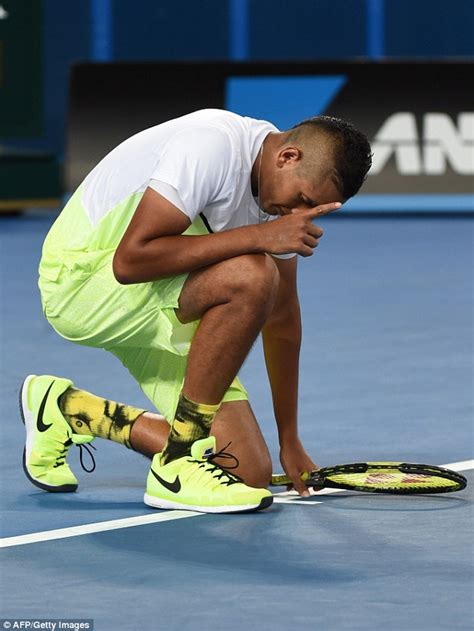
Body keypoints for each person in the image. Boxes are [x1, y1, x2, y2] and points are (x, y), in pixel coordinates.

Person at [20, 108, 372, 513]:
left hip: (163, 300)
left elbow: (283, 318)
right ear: (287, 157)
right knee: (252, 274)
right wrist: (260, 236)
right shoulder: (211, 146)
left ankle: (68, 409)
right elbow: (130, 261)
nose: (297, 215)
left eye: (312, 210)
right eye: (303, 201)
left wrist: (288, 439)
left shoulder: (276, 200)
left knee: (244, 471)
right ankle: (176, 464)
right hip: (80, 284)